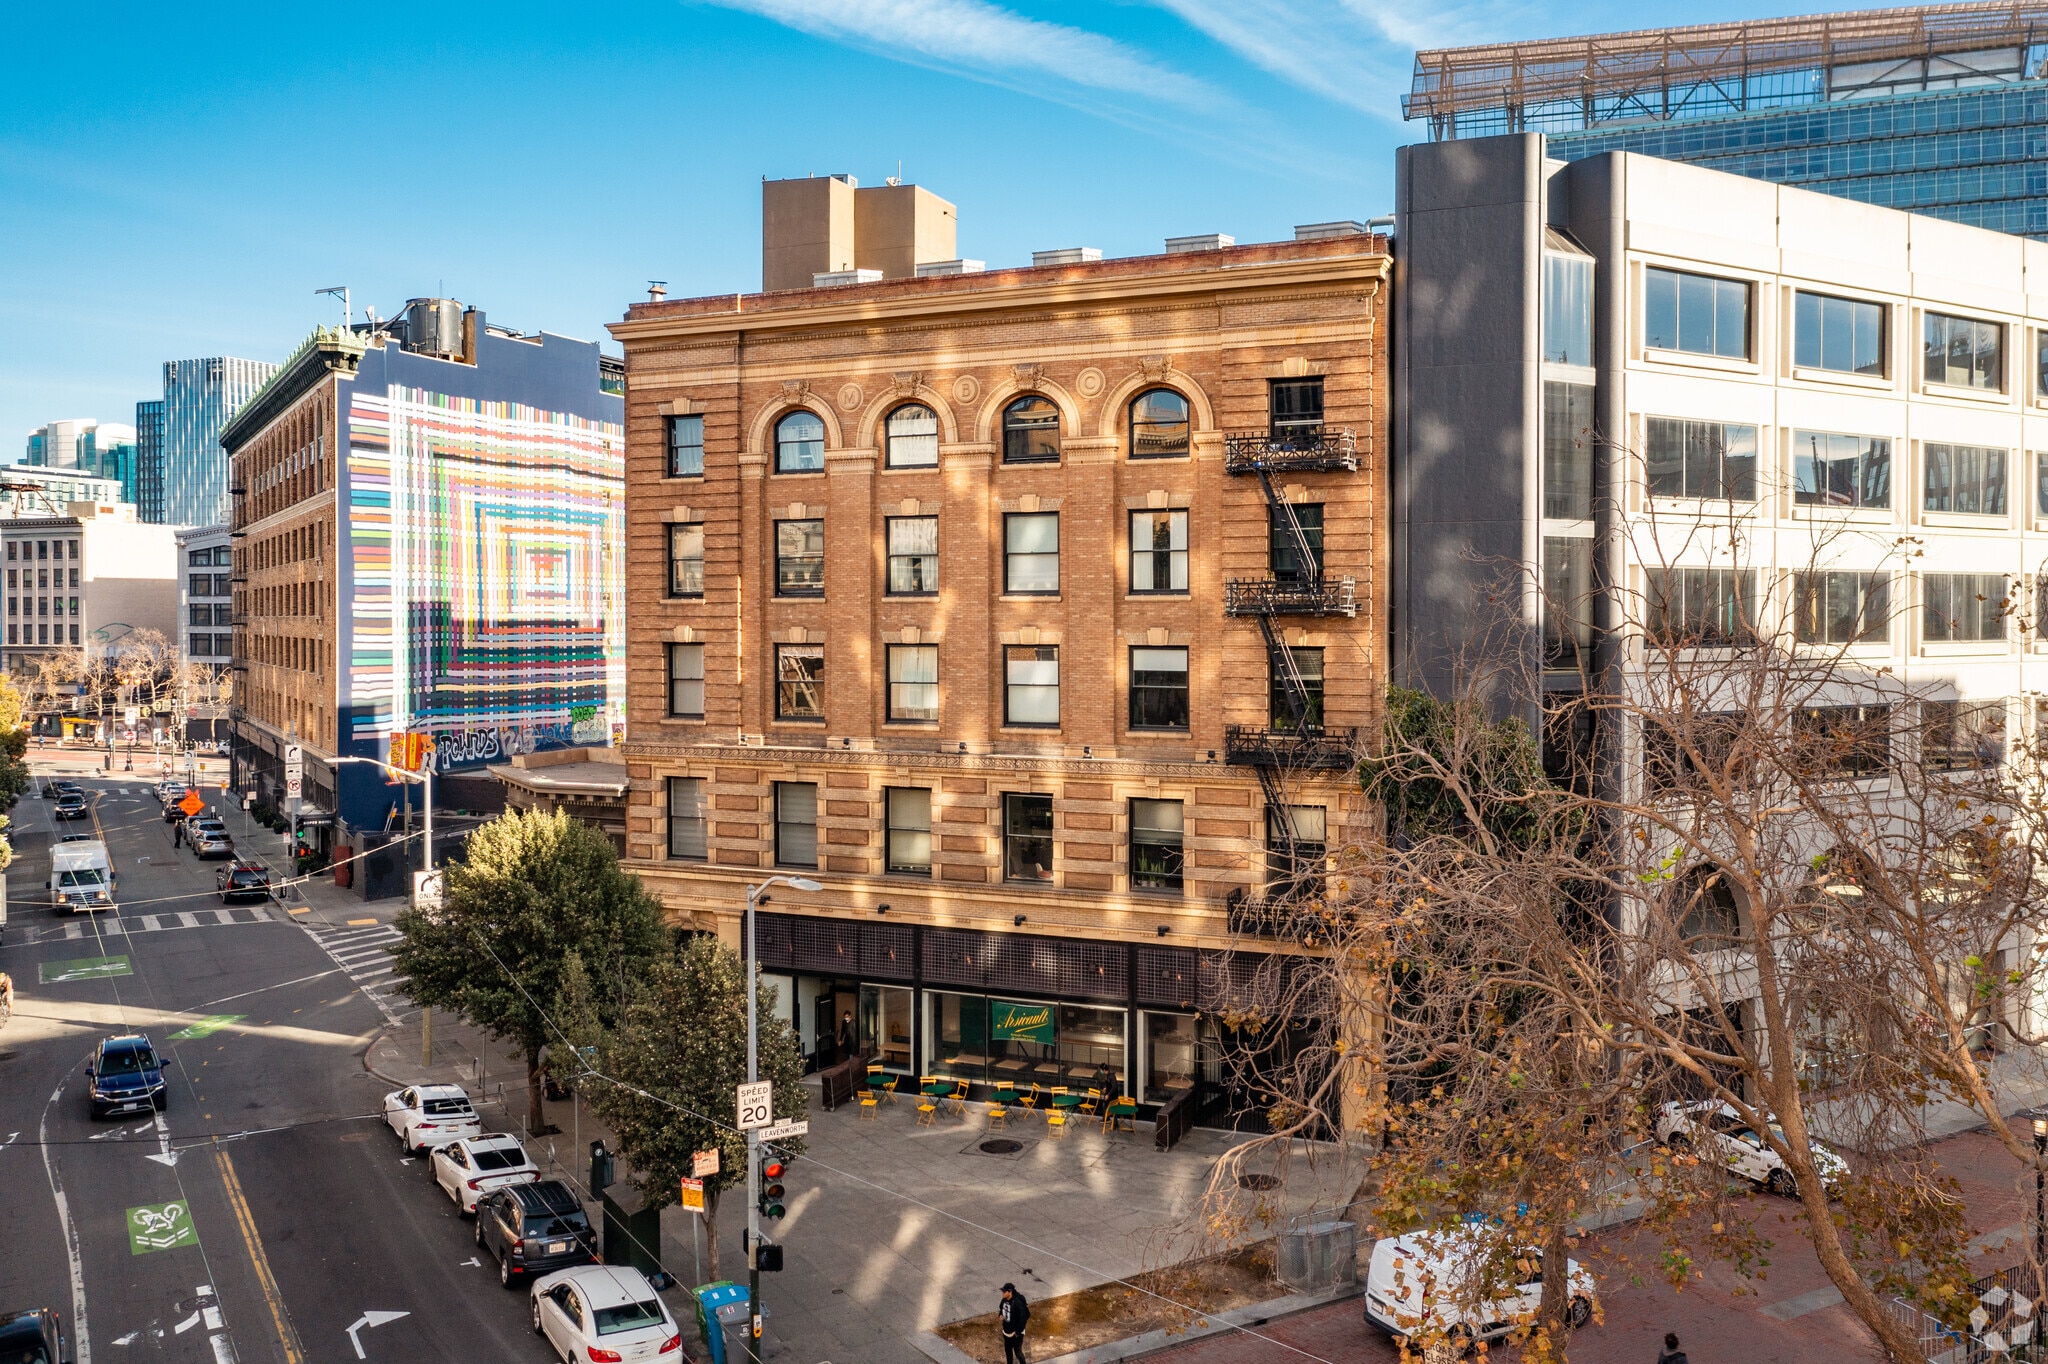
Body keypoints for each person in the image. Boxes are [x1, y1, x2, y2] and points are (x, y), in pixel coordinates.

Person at [998, 1283, 1030, 1364]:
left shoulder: (1018, 1303)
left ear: (1010, 1292)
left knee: (1018, 1352)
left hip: (1016, 1333)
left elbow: (1023, 1318)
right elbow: (1001, 1309)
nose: (1003, 1293)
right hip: (1006, 1332)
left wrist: (1018, 1333)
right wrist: (1000, 1315)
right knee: (1008, 1352)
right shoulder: (1004, 1300)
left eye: (1004, 1292)